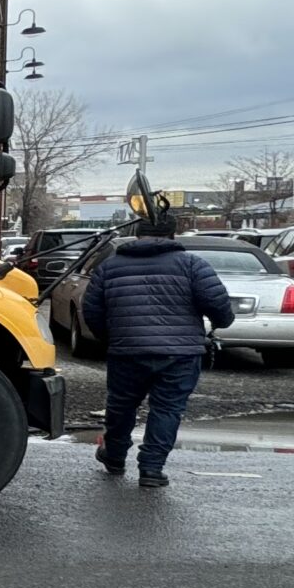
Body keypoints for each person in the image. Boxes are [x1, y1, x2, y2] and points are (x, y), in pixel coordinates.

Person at [82, 208, 235, 489]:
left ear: (137, 234)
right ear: (172, 234)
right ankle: (152, 469)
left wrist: (111, 337)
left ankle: (114, 456)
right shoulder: (192, 265)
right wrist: (220, 322)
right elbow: (218, 306)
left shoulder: (109, 267)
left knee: (121, 406)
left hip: (126, 351)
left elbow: (91, 310)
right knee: (167, 409)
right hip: (179, 354)